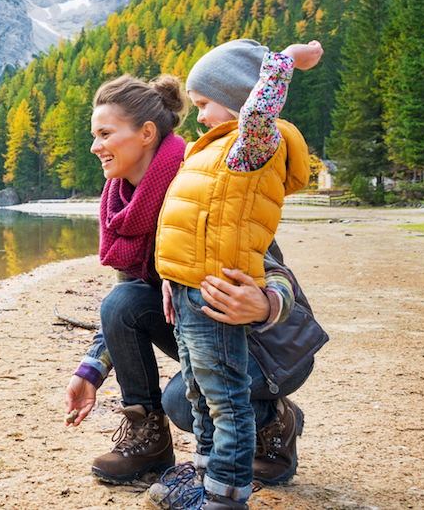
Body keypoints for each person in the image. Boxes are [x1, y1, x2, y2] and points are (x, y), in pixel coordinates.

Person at [64, 43, 325, 507]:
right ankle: (148, 441)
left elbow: (274, 266)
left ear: (145, 133)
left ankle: (273, 422)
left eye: (105, 134)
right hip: (200, 324)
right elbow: (128, 297)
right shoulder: (128, 204)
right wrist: (91, 370)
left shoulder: (208, 176)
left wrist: (266, 302)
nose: (95, 146)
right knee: (122, 304)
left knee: (186, 401)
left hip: (267, 343)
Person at [148, 38, 324, 510]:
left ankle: (227, 497)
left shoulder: (252, 148)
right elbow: (194, 226)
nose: (199, 116)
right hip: (190, 292)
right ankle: (204, 481)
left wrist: (284, 62)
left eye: (205, 104)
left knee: (225, 400)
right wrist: (173, 276)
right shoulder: (213, 152)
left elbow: (260, 111)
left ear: (241, 98)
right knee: (201, 395)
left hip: (219, 296)